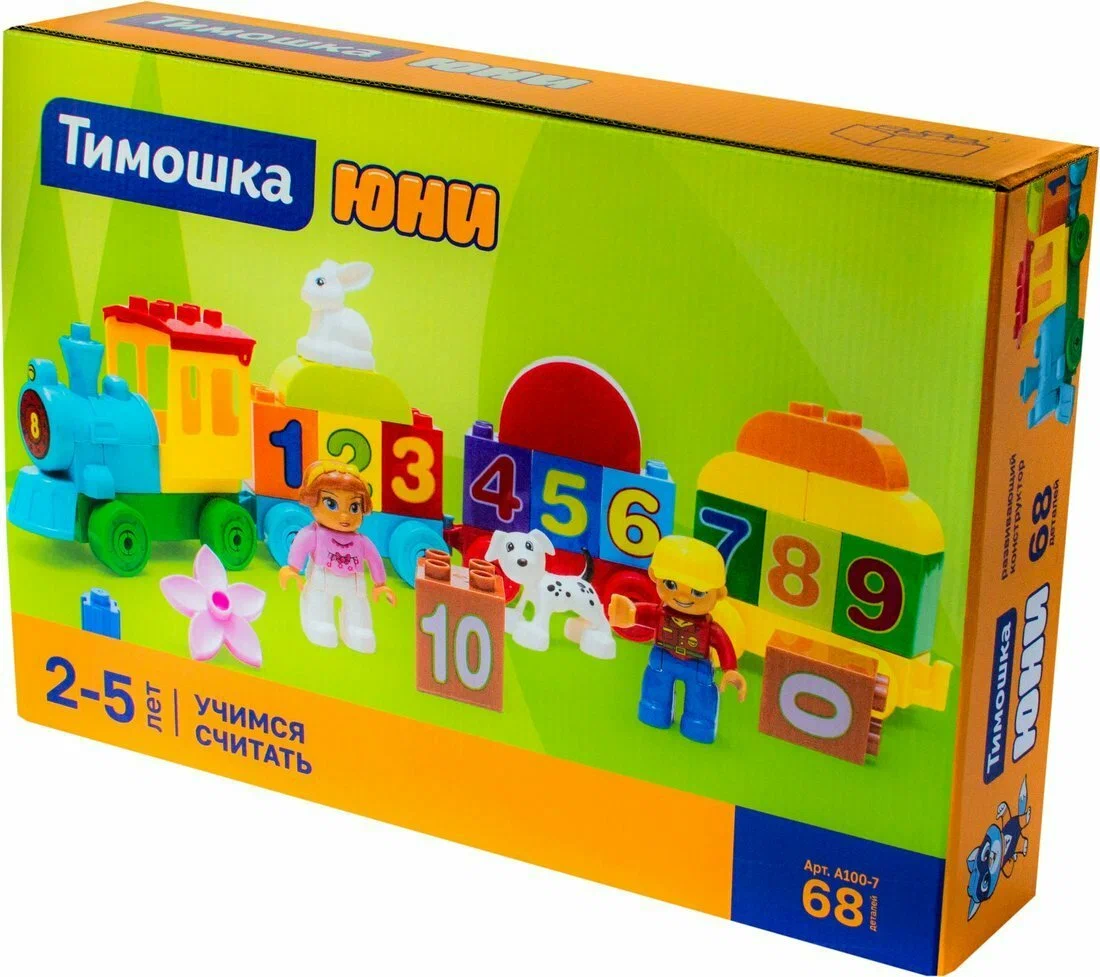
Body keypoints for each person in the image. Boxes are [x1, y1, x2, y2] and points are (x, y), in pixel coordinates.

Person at [609, 535, 747, 744]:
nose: (682, 597)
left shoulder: (709, 627)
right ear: (654, 576)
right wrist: (630, 614)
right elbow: (645, 614)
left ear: (719, 594)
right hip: (663, 658)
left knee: (701, 695)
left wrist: (731, 669)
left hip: (697, 666)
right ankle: (654, 709)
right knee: (656, 686)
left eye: (698, 592)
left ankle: (699, 723)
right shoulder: (661, 613)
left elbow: (722, 642)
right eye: (671, 584)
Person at [279, 461, 395, 653]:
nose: (344, 516)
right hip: (322, 576)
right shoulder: (314, 533)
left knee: (358, 605)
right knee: (319, 602)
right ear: (313, 500)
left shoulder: (361, 541)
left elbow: (374, 559)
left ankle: (358, 629)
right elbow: (301, 545)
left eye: (354, 507)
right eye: (331, 504)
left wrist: (380, 584)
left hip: (354, 582)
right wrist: (292, 568)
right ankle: (318, 622)